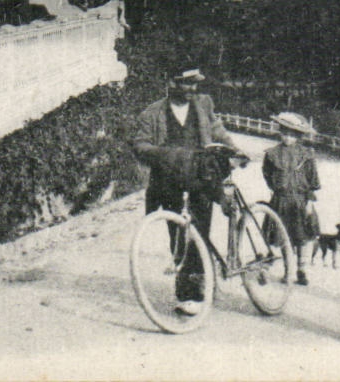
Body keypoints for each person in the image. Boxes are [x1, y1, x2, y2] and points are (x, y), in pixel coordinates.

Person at [131, 67, 237, 316]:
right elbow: (140, 144)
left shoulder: (203, 104)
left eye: (194, 84)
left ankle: (197, 290)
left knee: (200, 232)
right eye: (186, 83)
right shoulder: (152, 113)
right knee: (178, 235)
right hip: (169, 182)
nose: (192, 89)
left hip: (202, 178)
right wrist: (165, 154)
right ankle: (188, 291)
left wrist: (233, 149)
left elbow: (217, 129)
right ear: (171, 82)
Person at [263, 111, 321, 286]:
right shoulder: (272, 154)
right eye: (284, 133)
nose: (288, 138)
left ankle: (302, 269)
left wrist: (309, 201)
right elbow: (267, 175)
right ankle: (288, 270)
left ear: (298, 136)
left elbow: (312, 179)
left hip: (300, 201)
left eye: (292, 135)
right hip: (281, 201)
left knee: (302, 236)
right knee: (283, 236)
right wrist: (277, 189)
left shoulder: (306, 154)